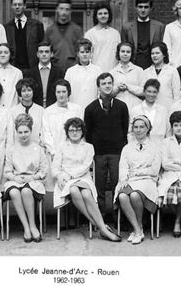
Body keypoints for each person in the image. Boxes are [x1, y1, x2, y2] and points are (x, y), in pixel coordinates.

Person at [52, 117, 121, 242]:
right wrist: (61, 177)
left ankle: (99, 226)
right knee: (73, 190)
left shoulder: (89, 147)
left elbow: (86, 166)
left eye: (78, 130)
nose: (74, 132)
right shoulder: (61, 146)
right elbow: (55, 168)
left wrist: (70, 176)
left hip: (83, 177)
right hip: (65, 180)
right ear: (67, 132)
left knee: (86, 193)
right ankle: (102, 227)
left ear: (82, 132)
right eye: (72, 130)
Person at [84, 72, 129, 217]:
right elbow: (88, 132)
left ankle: (119, 215)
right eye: (103, 83)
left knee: (117, 183)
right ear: (98, 87)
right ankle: (101, 215)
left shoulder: (121, 106)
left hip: (117, 152)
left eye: (109, 83)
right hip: (99, 153)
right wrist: (94, 150)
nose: (107, 86)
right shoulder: (90, 109)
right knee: (100, 185)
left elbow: (125, 127)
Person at [114, 115, 161, 244]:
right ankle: (137, 230)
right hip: (130, 180)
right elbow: (123, 167)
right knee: (123, 196)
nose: (138, 130)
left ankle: (138, 228)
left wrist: (138, 172)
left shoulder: (155, 147)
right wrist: (123, 179)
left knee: (135, 196)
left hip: (147, 180)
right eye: (136, 127)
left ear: (148, 129)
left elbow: (154, 170)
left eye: (142, 127)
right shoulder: (127, 148)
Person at [2, 113, 48, 242]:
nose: (23, 135)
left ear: (31, 131)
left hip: (33, 181)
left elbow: (44, 170)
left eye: (26, 132)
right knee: (15, 192)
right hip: (16, 180)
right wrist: (14, 178)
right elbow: (7, 171)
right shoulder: (12, 150)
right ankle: (26, 227)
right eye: (20, 132)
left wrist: (33, 177)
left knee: (26, 191)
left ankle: (33, 226)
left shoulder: (37, 149)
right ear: (16, 132)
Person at [41, 79, 83, 191]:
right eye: (58, 92)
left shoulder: (77, 109)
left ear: (68, 93)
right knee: (57, 184)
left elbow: (79, 131)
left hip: (73, 153)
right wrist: (54, 152)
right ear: (55, 93)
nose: (61, 95)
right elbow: (46, 133)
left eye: (64, 92)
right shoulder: (48, 111)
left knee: (73, 183)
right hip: (54, 153)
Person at [121, 0, 165, 70]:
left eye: (146, 7)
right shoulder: (127, 27)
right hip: (133, 66)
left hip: (153, 66)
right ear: (136, 8)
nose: (143, 10)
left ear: (150, 9)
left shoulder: (159, 27)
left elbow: (162, 49)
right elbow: (123, 48)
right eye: (140, 7)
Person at [4, 0, 44, 70]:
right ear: (11, 7)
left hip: (32, 68)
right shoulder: (7, 27)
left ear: (25, 6)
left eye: (20, 4)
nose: (17, 7)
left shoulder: (36, 25)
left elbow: (42, 47)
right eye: (14, 5)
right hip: (13, 69)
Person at [44, 0, 83, 70]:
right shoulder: (50, 30)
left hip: (73, 69)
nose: (64, 12)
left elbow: (81, 50)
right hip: (54, 68)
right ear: (57, 9)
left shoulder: (77, 30)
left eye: (67, 9)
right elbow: (45, 51)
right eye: (61, 8)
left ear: (70, 11)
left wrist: (76, 65)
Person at [23, 41, 65, 108]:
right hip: (35, 109)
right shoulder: (29, 73)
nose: (44, 54)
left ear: (52, 54)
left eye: (47, 52)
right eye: (41, 52)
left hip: (54, 108)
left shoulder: (60, 72)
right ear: (37, 54)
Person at [64, 38, 102, 109]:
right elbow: (66, 92)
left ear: (91, 53)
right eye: (82, 52)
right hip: (74, 108)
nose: (85, 54)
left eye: (87, 52)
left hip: (92, 108)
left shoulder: (98, 70)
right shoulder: (70, 71)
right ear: (78, 54)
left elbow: (100, 92)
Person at [129, 79, 168, 146]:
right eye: (149, 91)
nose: (151, 94)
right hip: (140, 148)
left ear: (157, 93)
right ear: (144, 92)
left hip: (159, 147)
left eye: (154, 92)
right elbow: (131, 133)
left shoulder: (163, 110)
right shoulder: (135, 110)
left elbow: (168, 132)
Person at [143, 42, 181, 110]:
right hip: (150, 109)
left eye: (157, 53)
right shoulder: (146, 72)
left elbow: (177, 94)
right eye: (152, 53)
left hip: (168, 108)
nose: (154, 56)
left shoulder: (172, 71)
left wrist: (175, 109)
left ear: (164, 55)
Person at [84, 1, 121, 72]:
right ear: (96, 16)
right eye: (100, 14)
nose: (103, 16)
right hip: (95, 73)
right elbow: (86, 57)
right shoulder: (89, 34)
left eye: (105, 13)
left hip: (113, 72)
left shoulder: (116, 33)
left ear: (109, 15)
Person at [7, 78, 44, 148]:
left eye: (29, 90)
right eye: (23, 91)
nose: (26, 93)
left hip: (36, 148)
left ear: (33, 91)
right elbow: (10, 134)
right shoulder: (12, 111)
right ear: (20, 93)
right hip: (17, 149)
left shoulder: (41, 110)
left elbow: (42, 132)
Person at [0, 42, 23, 109]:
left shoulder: (17, 73)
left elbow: (20, 95)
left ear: (10, 54)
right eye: (0, 53)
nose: (3, 55)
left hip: (12, 111)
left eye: (6, 52)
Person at [110, 42, 145, 111]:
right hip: (117, 108)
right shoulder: (112, 72)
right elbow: (108, 93)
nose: (125, 54)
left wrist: (128, 87)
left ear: (131, 54)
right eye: (123, 51)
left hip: (136, 107)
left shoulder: (139, 70)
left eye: (128, 52)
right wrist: (117, 88)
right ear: (118, 53)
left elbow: (144, 91)